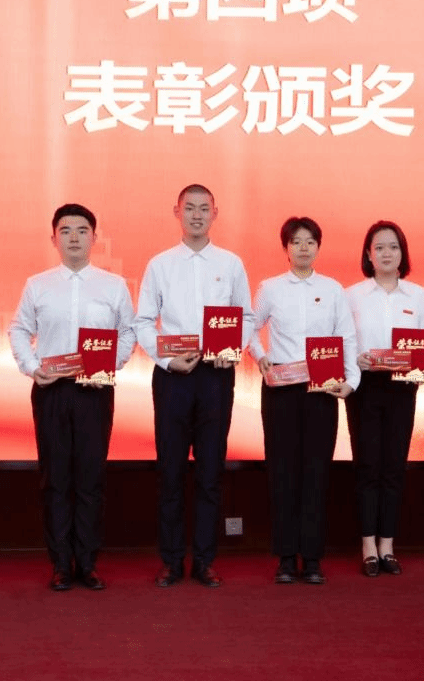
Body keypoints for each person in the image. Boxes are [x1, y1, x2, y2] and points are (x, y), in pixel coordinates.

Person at [8, 203, 136, 592]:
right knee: (55, 478)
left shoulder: (113, 285)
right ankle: (61, 563)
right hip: (52, 391)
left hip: (94, 392)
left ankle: (88, 562)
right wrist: (33, 367)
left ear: (94, 238)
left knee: (90, 478)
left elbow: (128, 332)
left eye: (82, 231)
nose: (74, 238)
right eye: (65, 231)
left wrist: (108, 366)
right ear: (54, 239)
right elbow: (18, 329)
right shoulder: (38, 284)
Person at [134, 183, 254, 588]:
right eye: (190, 208)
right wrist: (166, 359)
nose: (197, 215)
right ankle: (171, 560)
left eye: (205, 208)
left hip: (215, 376)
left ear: (215, 214)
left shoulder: (231, 263)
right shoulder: (160, 264)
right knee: (170, 470)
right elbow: (142, 321)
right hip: (173, 376)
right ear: (177, 212)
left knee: (210, 470)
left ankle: (204, 560)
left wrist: (231, 349)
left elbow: (247, 317)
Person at [250, 216, 358, 585]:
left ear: (318, 247)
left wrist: (351, 381)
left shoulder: (333, 289)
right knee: (282, 471)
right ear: (286, 248)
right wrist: (260, 355)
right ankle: (285, 557)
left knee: (316, 471)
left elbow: (346, 336)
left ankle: (312, 558)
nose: (303, 248)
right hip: (280, 387)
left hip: (321, 389)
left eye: (310, 241)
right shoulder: (270, 288)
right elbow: (249, 326)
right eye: (296, 241)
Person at [344, 221, 424, 577]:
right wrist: (356, 359)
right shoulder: (352, 295)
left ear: (402, 253)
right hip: (364, 386)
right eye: (379, 247)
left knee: (394, 466)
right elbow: (344, 341)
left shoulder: (418, 295)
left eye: (393, 247)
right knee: (368, 466)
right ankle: (367, 545)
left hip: (401, 387)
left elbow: (422, 346)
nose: (386, 253)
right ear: (368, 254)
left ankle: (387, 546)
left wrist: (416, 368)